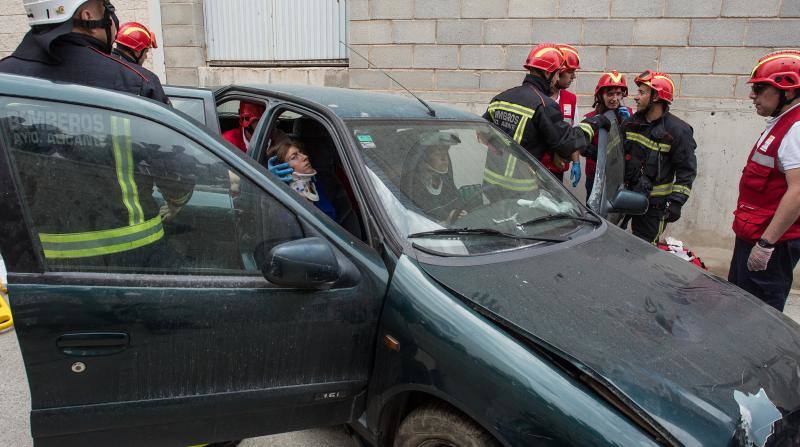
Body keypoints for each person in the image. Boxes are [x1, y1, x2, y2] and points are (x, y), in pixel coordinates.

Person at [483, 42, 607, 194]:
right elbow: (568, 144)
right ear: (548, 74)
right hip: (519, 190)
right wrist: (594, 121)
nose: (557, 79)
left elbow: (482, 135)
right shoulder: (544, 104)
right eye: (556, 74)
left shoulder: (501, 98)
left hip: (491, 185)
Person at [728, 50, 800, 312]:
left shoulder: (796, 128)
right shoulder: (781, 122)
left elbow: (798, 191)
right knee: (739, 306)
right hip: (754, 234)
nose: (752, 95)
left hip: (770, 245)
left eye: (759, 88)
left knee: (758, 315)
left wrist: (766, 244)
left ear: (788, 92)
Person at [0, 1, 169, 104]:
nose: (112, 19)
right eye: (107, 8)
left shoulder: (5, 74)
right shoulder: (137, 84)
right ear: (87, 17)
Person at [623, 70, 697, 244]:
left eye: (642, 92)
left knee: (645, 251)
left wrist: (676, 202)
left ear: (655, 96)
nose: (636, 97)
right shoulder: (632, 123)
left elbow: (686, 170)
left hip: (653, 207)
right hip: (625, 197)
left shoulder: (678, 131)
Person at [583, 71, 632, 199]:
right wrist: (601, 155)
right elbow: (582, 145)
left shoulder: (629, 115)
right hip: (596, 177)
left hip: (619, 177)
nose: (615, 99)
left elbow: (634, 146)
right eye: (610, 94)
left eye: (618, 94)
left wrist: (630, 124)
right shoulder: (590, 118)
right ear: (600, 95)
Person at [266, 135, 337, 221]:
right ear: (283, 169)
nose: (305, 157)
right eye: (294, 157)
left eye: (301, 153)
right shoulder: (282, 205)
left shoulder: (316, 185)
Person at [541, 44, 582, 186]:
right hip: (534, 169)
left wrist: (576, 162)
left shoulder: (571, 99)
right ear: (559, 71)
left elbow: (573, 134)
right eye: (571, 72)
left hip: (557, 171)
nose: (574, 77)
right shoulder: (536, 98)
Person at [402, 132, 465, 224]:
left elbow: (458, 203)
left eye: (446, 152)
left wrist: (463, 213)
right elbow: (416, 224)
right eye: (438, 153)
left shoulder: (446, 179)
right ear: (424, 159)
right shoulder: (412, 186)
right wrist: (447, 222)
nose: (444, 158)